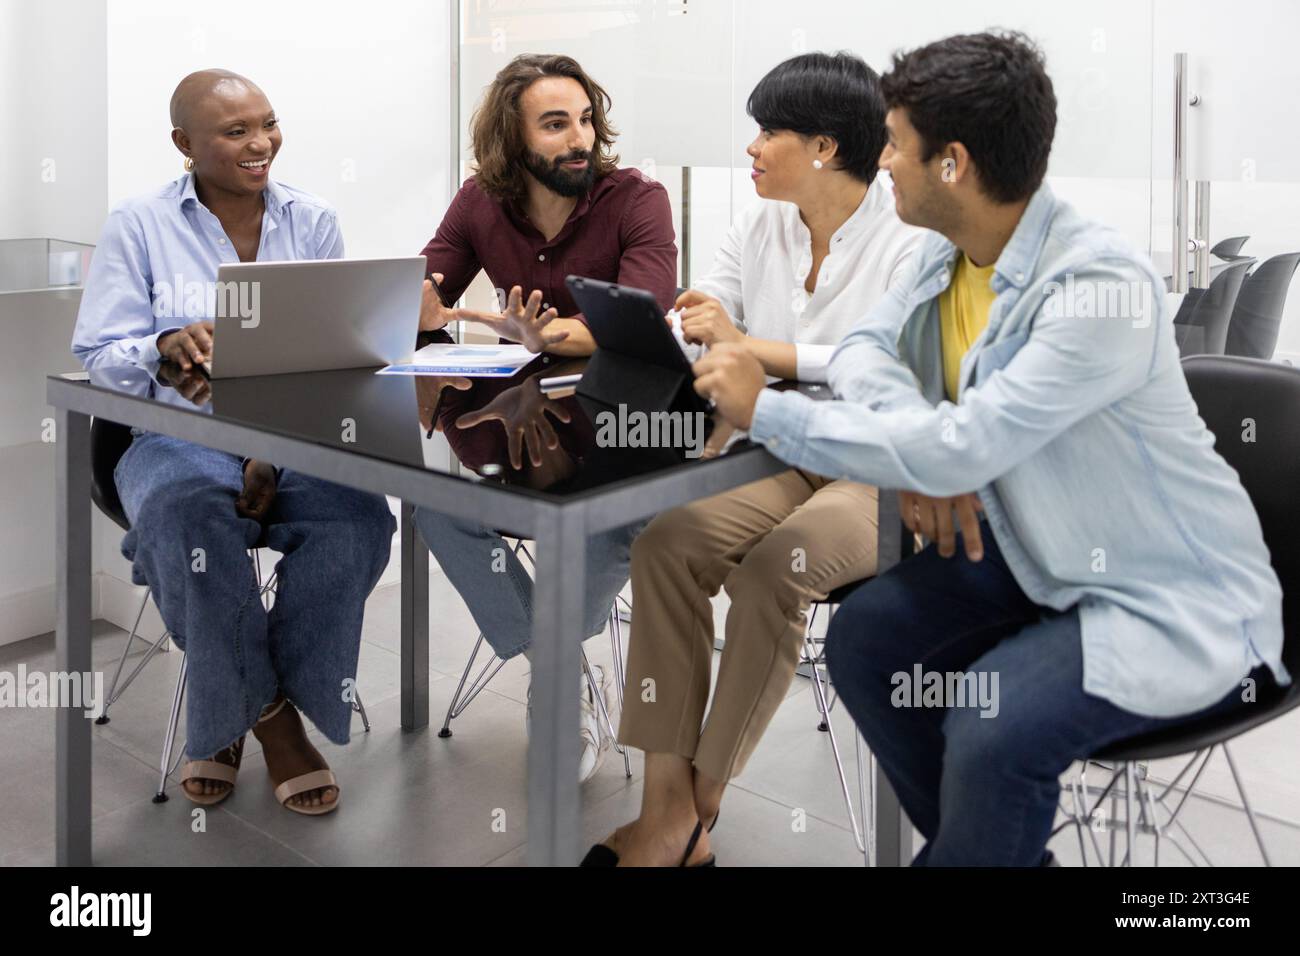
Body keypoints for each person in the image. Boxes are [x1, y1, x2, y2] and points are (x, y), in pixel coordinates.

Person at [690, 32, 1290, 866]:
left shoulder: (1097, 289)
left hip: (1165, 593)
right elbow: (867, 351)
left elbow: (964, 444)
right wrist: (926, 448)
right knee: (868, 643)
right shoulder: (945, 250)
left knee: (988, 722)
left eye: (894, 143)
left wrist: (775, 414)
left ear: (953, 164)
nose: (882, 161)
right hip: (1032, 554)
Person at [585, 52, 924, 866]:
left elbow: (874, 366)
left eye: (769, 132)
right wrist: (697, 320)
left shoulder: (912, 235)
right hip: (778, 445)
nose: (753, 149)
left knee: (780, 566)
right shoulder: (759, 221)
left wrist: (750, 348)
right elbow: (713, 310)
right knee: (667, 542)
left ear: (825, 148)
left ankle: (692, 810)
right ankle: (664, 802)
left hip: (882, 465)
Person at [72, 69, 396, 815]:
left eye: (269, 124)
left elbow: (325, 352)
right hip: (170, 437)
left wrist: (270, 455)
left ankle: (231, 699)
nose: (261, 144)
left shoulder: (312, 220)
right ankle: (274, 723)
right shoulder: (138, 223)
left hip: (288, 436)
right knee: (190, 522)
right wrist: (161, 343)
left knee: (360, 522)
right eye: (236, 131)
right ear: (185, 144)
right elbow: (98, 353)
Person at [413, 53, 677, 780]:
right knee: (434, 502)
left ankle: (552, 673)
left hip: (622, 423)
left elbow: (640, 315)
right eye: (556, 124)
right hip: (514, 417)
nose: (579, 139)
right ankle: (560, 668)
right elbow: (426, 287)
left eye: (585, 120)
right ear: (514, 140)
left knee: (616, 511)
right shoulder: (479, 202)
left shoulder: (637, 200)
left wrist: (545, 333)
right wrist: (423, 305)